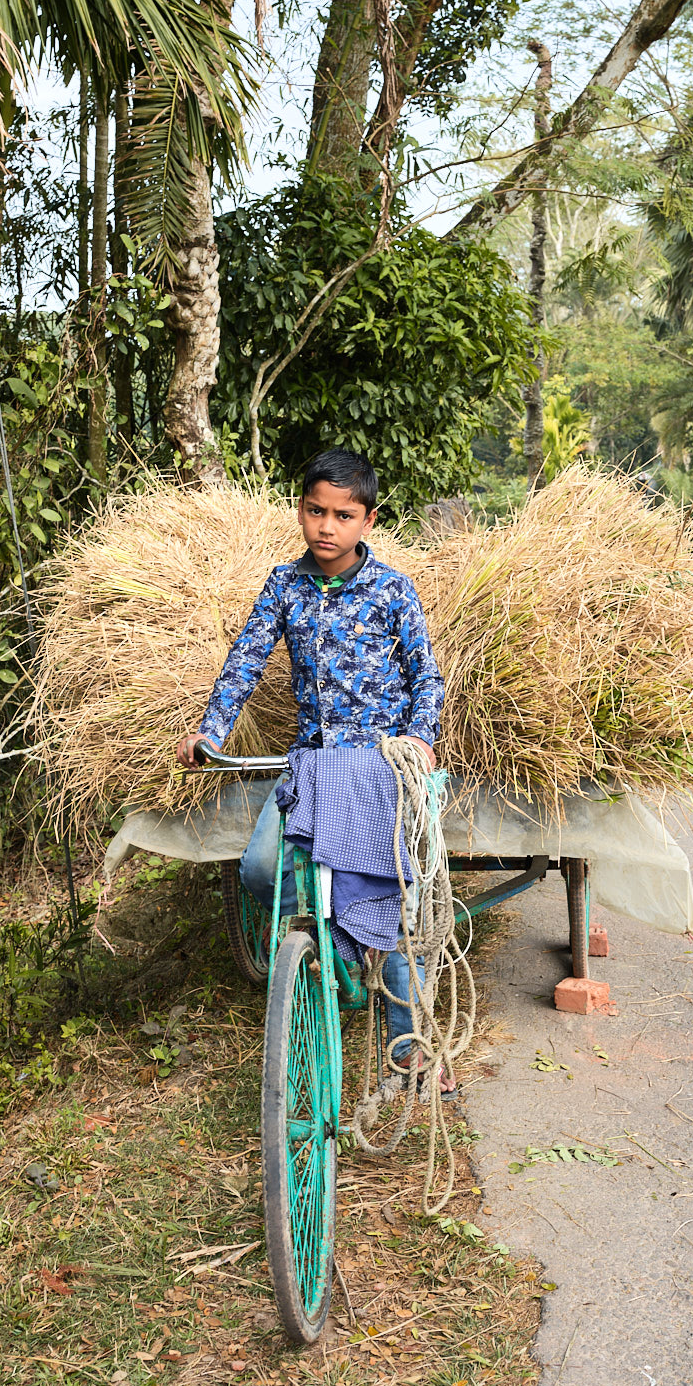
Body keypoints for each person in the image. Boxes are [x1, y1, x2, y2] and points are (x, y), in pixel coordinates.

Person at [175, 447, 454, 1094]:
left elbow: (425, 676)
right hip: (311, 761)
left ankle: (407, 1044)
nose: (326, 527)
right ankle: (323, 947)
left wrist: (420, 736)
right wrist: (209, 733)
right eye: (315, 511)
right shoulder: (283, 585)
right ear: (300, 511)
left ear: (367, 520)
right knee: (260, 868)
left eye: (343, 515)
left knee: (397, 901)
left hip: (380, 763)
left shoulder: (391, 589)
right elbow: (244, 663)